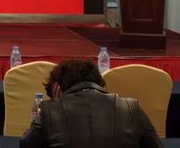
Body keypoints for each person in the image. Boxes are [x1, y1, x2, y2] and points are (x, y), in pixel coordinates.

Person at [20, 59, 163, 148]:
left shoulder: (51, 110)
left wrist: (56, 104)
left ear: (58, 90)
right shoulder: (131, 107)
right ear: (100, 83)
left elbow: (26, 144)